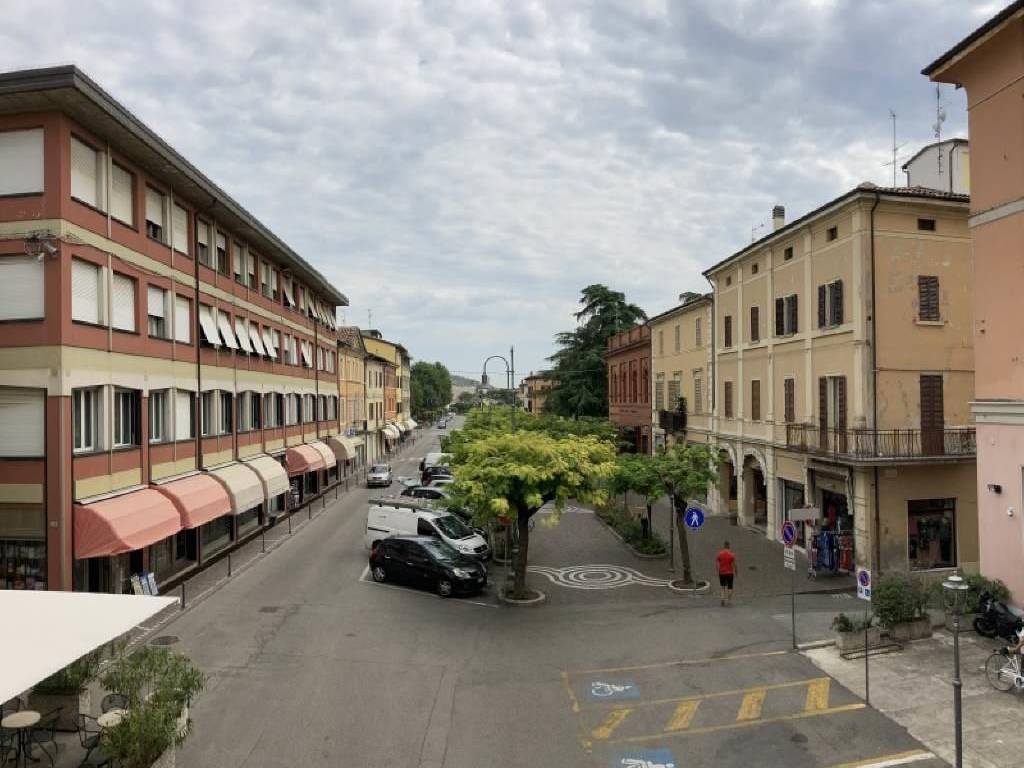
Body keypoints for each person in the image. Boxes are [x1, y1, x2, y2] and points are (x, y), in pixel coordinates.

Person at [716, 541, 736, 606]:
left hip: (721, 573)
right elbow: (734, 564)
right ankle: (729, 602)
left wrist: (717, 571)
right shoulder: (731, 554)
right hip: (730, 573)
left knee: (722, 587)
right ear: (729, 546)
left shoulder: (719, 554)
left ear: (724, 546)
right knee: (730, 587)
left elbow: (717, 564)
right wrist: (736, 571)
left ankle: (722, 599)